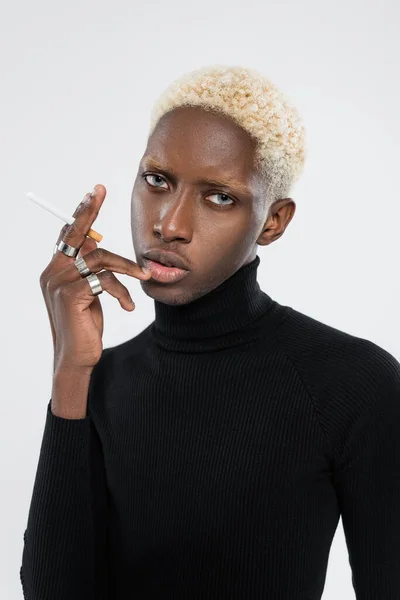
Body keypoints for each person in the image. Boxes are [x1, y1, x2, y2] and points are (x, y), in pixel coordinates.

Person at [20, 65, 400, 599]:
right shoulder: (99, 381)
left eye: (219, 196)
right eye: (158, 180)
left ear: (274, 222)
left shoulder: (353, 383)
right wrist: (70, 370)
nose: (169, 224)